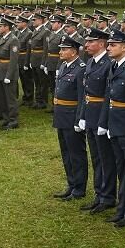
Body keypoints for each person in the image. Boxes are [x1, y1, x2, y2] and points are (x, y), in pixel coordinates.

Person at [98, 30, 125, 228]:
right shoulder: (114, 65)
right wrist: (105, 123)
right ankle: (122, 207)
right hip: (115, 123)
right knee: (121, 168)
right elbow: (109, 96)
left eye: (113, 45)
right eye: (109, 44)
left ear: (124, 47)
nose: (108, 48)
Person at [79, 28, 113, 214]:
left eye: (90, 42)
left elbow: (108, 95)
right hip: (91, 113)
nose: (86, 45)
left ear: (101, 44)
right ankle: (99, 194)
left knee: (105, 158)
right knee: (96, 157)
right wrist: (83, 115)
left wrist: (103, 121)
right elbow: (87, 93)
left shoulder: (108, 63)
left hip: (101, 115)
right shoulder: (91, 61)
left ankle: (107, 196)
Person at [52, 34, 88, 200]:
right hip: (61, 116)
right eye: (61, 49)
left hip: (72, 116)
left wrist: (79, 119)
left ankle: (79, 188)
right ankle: (71, 184)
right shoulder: (64, 65)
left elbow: (82, 98)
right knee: (66, 153)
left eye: (64, 49)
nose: (60, 52)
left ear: (73, 52)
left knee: (76, 154)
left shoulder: (80, 69)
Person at [0, 17, 21, 130]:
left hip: (8, 73)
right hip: (1, 71)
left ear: (7, 27)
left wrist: (9, 76)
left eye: (1, 26)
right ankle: (6, 118)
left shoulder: (13, 40)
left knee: (10, 99)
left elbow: (13, 60)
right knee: (3, 98)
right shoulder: (3, 38)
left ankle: (13, 120)